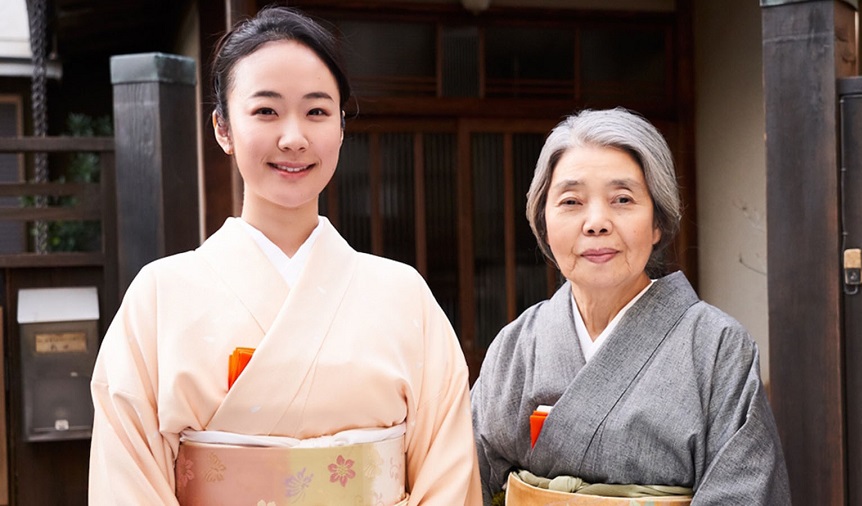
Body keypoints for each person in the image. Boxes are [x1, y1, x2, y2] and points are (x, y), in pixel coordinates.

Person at [88, 6, 481, 505]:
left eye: (317, 112)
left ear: (342, 126)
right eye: (266, 111)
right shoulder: (158, 296)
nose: (294, 138)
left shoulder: (405, 295)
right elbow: (126, 480)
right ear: (223, 128)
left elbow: (447, 475)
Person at [470, 108, 790, 505]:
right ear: (544, 224)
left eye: (622, 199)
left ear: (658, 222)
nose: (596, 222)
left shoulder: (717, 347)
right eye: (571, 201)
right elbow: (463, 479)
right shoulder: (515, 345)